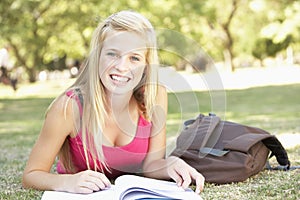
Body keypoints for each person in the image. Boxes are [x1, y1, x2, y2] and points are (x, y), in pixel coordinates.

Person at [22, 10, 205, 194]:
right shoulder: (69, 107)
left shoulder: (155, 96)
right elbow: (31, 175)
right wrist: (67, 182)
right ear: (98, 56)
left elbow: (152, 165)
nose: (122, 66)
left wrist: (170, 164)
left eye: (134, 58)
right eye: (112, 54)